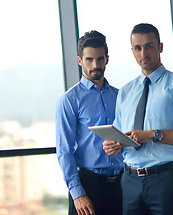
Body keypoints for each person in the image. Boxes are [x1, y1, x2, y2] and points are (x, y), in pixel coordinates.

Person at [103, 23, 173, 215]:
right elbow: (120, 133)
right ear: (132, 51)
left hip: (166, 180)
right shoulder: (125, 92)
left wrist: (152, 135)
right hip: (130, 180)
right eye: (137, 48)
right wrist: (112, 145)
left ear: (160, 47)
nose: (143, 53)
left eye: (149, 46)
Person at [56, 30, 124, 215]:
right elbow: (64, 150)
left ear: (107, 59)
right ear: (80, 61)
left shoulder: (120, 96)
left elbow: (129, 136)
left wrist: (122, 145)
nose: (96, 65)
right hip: (88, 186)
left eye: (100, 59)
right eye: (89, 60)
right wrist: (77, 194)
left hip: (121, 185)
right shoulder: (69, 100)